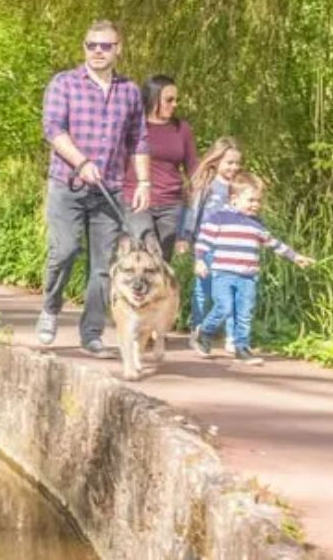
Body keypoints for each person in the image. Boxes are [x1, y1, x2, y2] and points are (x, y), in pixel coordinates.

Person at [37, 19, 152, 353]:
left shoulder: (129, 91)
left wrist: (143, 181)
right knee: (66, 250)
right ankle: (50, 308)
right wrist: (81, 162)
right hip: (68, 185)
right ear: (84, 48)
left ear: (118, 49)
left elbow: (139, 139)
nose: (98, 51)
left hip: (110, 188)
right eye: (92, 45)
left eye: (105, 45)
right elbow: (53, 129)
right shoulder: (64, 84)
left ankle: (91, 333)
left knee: (103, 266)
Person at [193, 172, 314, 364]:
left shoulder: (256, 223)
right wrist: (199, 260)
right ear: (234, 199)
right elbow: (204, 241)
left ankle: (242, 348)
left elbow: (273, 243)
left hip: (247, 277)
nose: (255, 205)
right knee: (223, 307)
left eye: (258, 201)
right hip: (223, 273)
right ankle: (205, 332)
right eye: (250, 200)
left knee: (244, 312)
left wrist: (295, 256)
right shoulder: (219, 218)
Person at [127, 74, 198, 255]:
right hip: (137, 201)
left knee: (161, 261)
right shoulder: (133, 126)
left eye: (176, 100)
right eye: (169, 100)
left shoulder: (182, 129)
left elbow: (193, 168)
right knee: (146, 246)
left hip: (171, 204)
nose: (175, 104)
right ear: (152, 98)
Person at [179, 137, 243, 328]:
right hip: (207, 245)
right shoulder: (206, 185)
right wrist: (185, 236)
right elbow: (191, 212)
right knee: (203, 288)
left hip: (230, 246)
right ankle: (197, 327)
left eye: (237, 163)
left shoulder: (238, 186)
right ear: (216, 161)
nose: (234, 167)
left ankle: (226, 331)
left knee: (229, 288)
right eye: (229, 162)